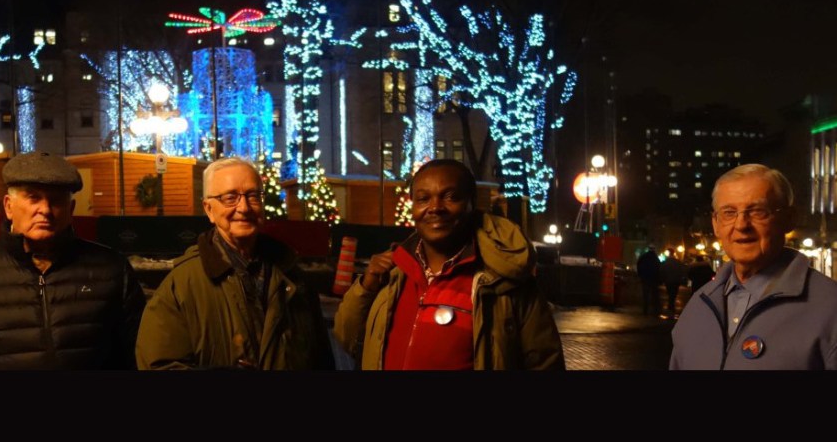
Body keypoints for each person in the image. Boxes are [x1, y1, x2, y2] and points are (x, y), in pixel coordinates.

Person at [0, 151, 147, 369]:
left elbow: (137, 356)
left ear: (71, 209)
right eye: (33, 197)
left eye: (56, 200)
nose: (45, 209)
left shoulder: (112, 270)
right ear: (8, 206)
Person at [333, 159, 564, 370]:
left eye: (451, 197)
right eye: (423, 198)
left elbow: (545, 363)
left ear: (472, 204)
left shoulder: (504, 282)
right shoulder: (393, 272)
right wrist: (366, 287)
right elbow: (347, 339)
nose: (435, 207)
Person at [135, 156, 335, 369]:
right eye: (230, 198)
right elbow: (159, 365)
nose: (244, 207)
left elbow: (321, 360)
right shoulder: (181, 287)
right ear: (209, 210)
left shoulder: (293, 277)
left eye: (253, 196)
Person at [670, 163, 837, 369]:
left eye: (758, 211)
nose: (741, 225)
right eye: (729, 212)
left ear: (789, 219)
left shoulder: (830, 307)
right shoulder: (698, 306)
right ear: (716, 224)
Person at [636, 245, 662, 316]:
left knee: (646, 295)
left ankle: (645, 310)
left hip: (645, 278)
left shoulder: (644, 257)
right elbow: (659, 268)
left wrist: (640, 275)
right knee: (654, 295)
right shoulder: (656, 258)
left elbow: (639, 265)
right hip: (653, 279)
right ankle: (654, 310)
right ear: (654, 249)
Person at [661, 247, 686, 319]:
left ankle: (670, 305)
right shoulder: (677, 262)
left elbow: (662, 271)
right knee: (674, 293)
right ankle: (671, 305)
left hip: (668, 280)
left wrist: (663, 279)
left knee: (669, 293)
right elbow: (682, 270)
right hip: (676, 281)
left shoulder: (665, 262)